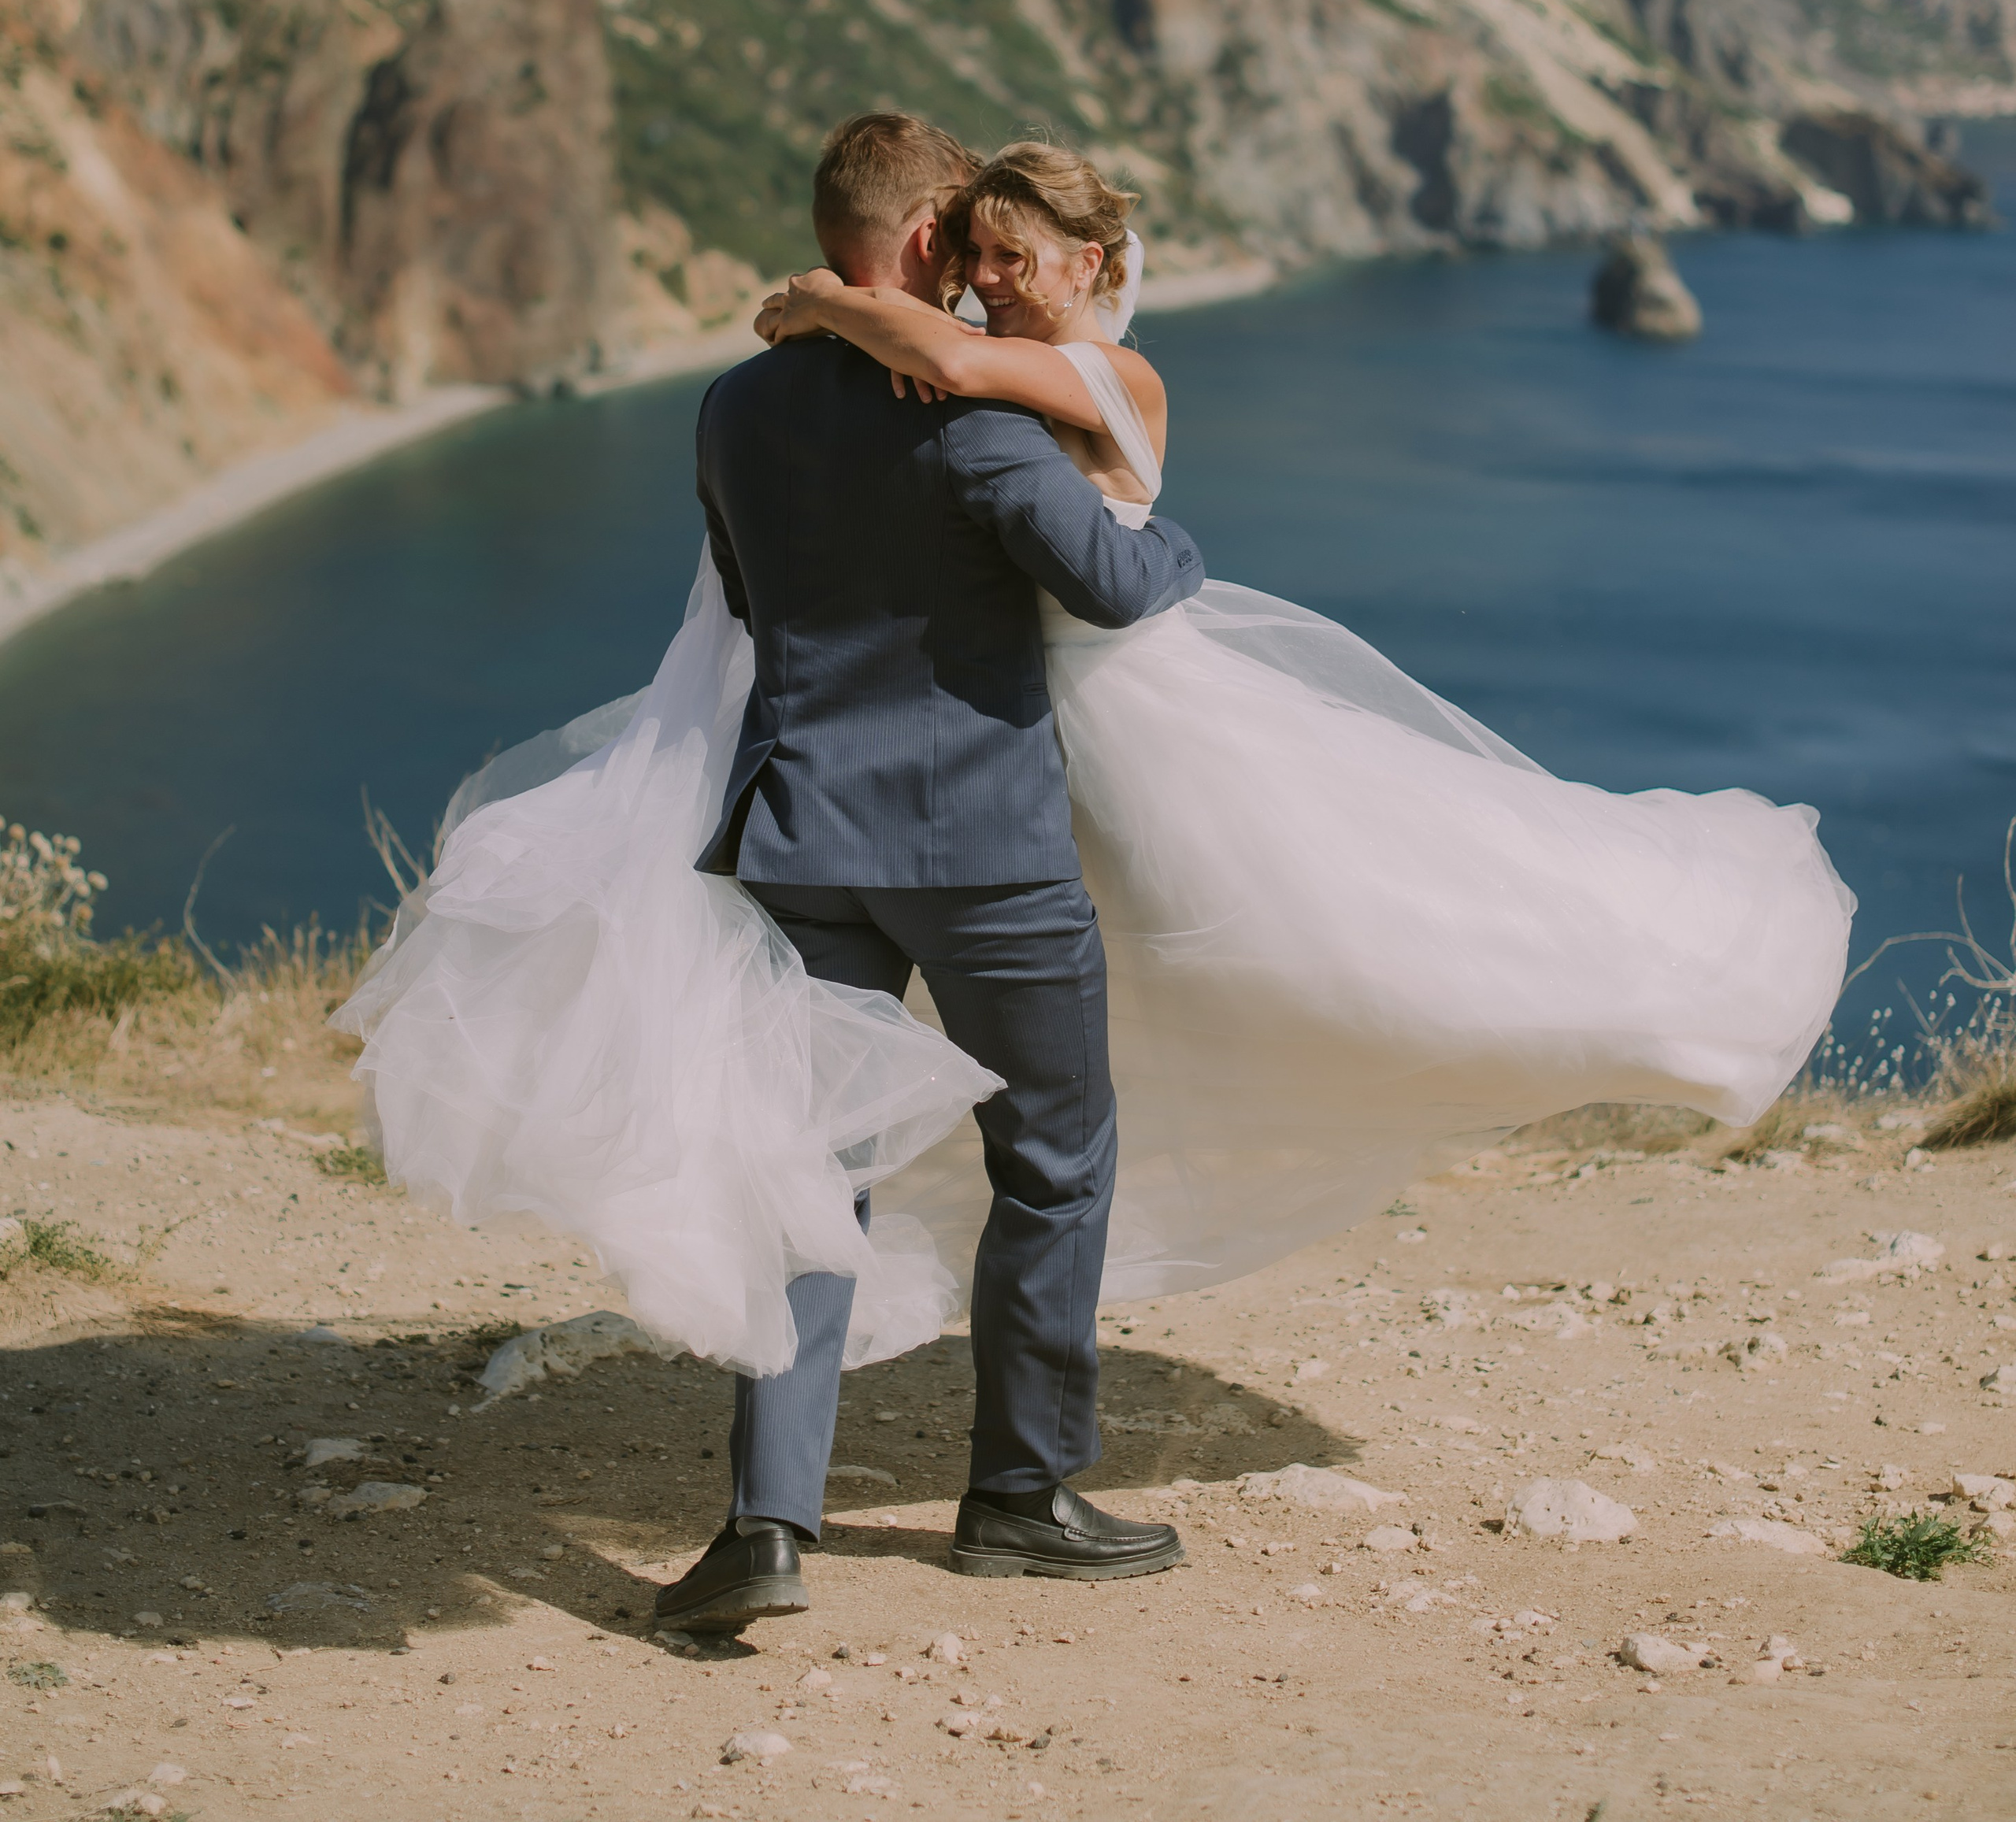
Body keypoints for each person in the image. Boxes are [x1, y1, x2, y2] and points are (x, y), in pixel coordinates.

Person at [336, 113, 1208, 1634]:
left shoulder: (732, 412)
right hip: (984, 853)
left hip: (802, 838)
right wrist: (1173, 535)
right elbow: (1121, 583)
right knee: (1055, 1160)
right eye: (975, 243)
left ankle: (767, 1526)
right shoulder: (979, 422)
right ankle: (1020, 1494)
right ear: (933, 241)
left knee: (812, 1177)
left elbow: (746, 604)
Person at [754, 139, 1856, 1315]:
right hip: (1021, 739)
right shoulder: (987, 363)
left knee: (1350, 951)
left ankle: (1662, 1006)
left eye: (1013, 255)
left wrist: (824, 298)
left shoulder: (1109, 373)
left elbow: (955, 359)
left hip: (1141, 720)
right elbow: (953, 367)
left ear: (1091, 263)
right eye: (974, 252)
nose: (989, 275)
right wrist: (853, 319)